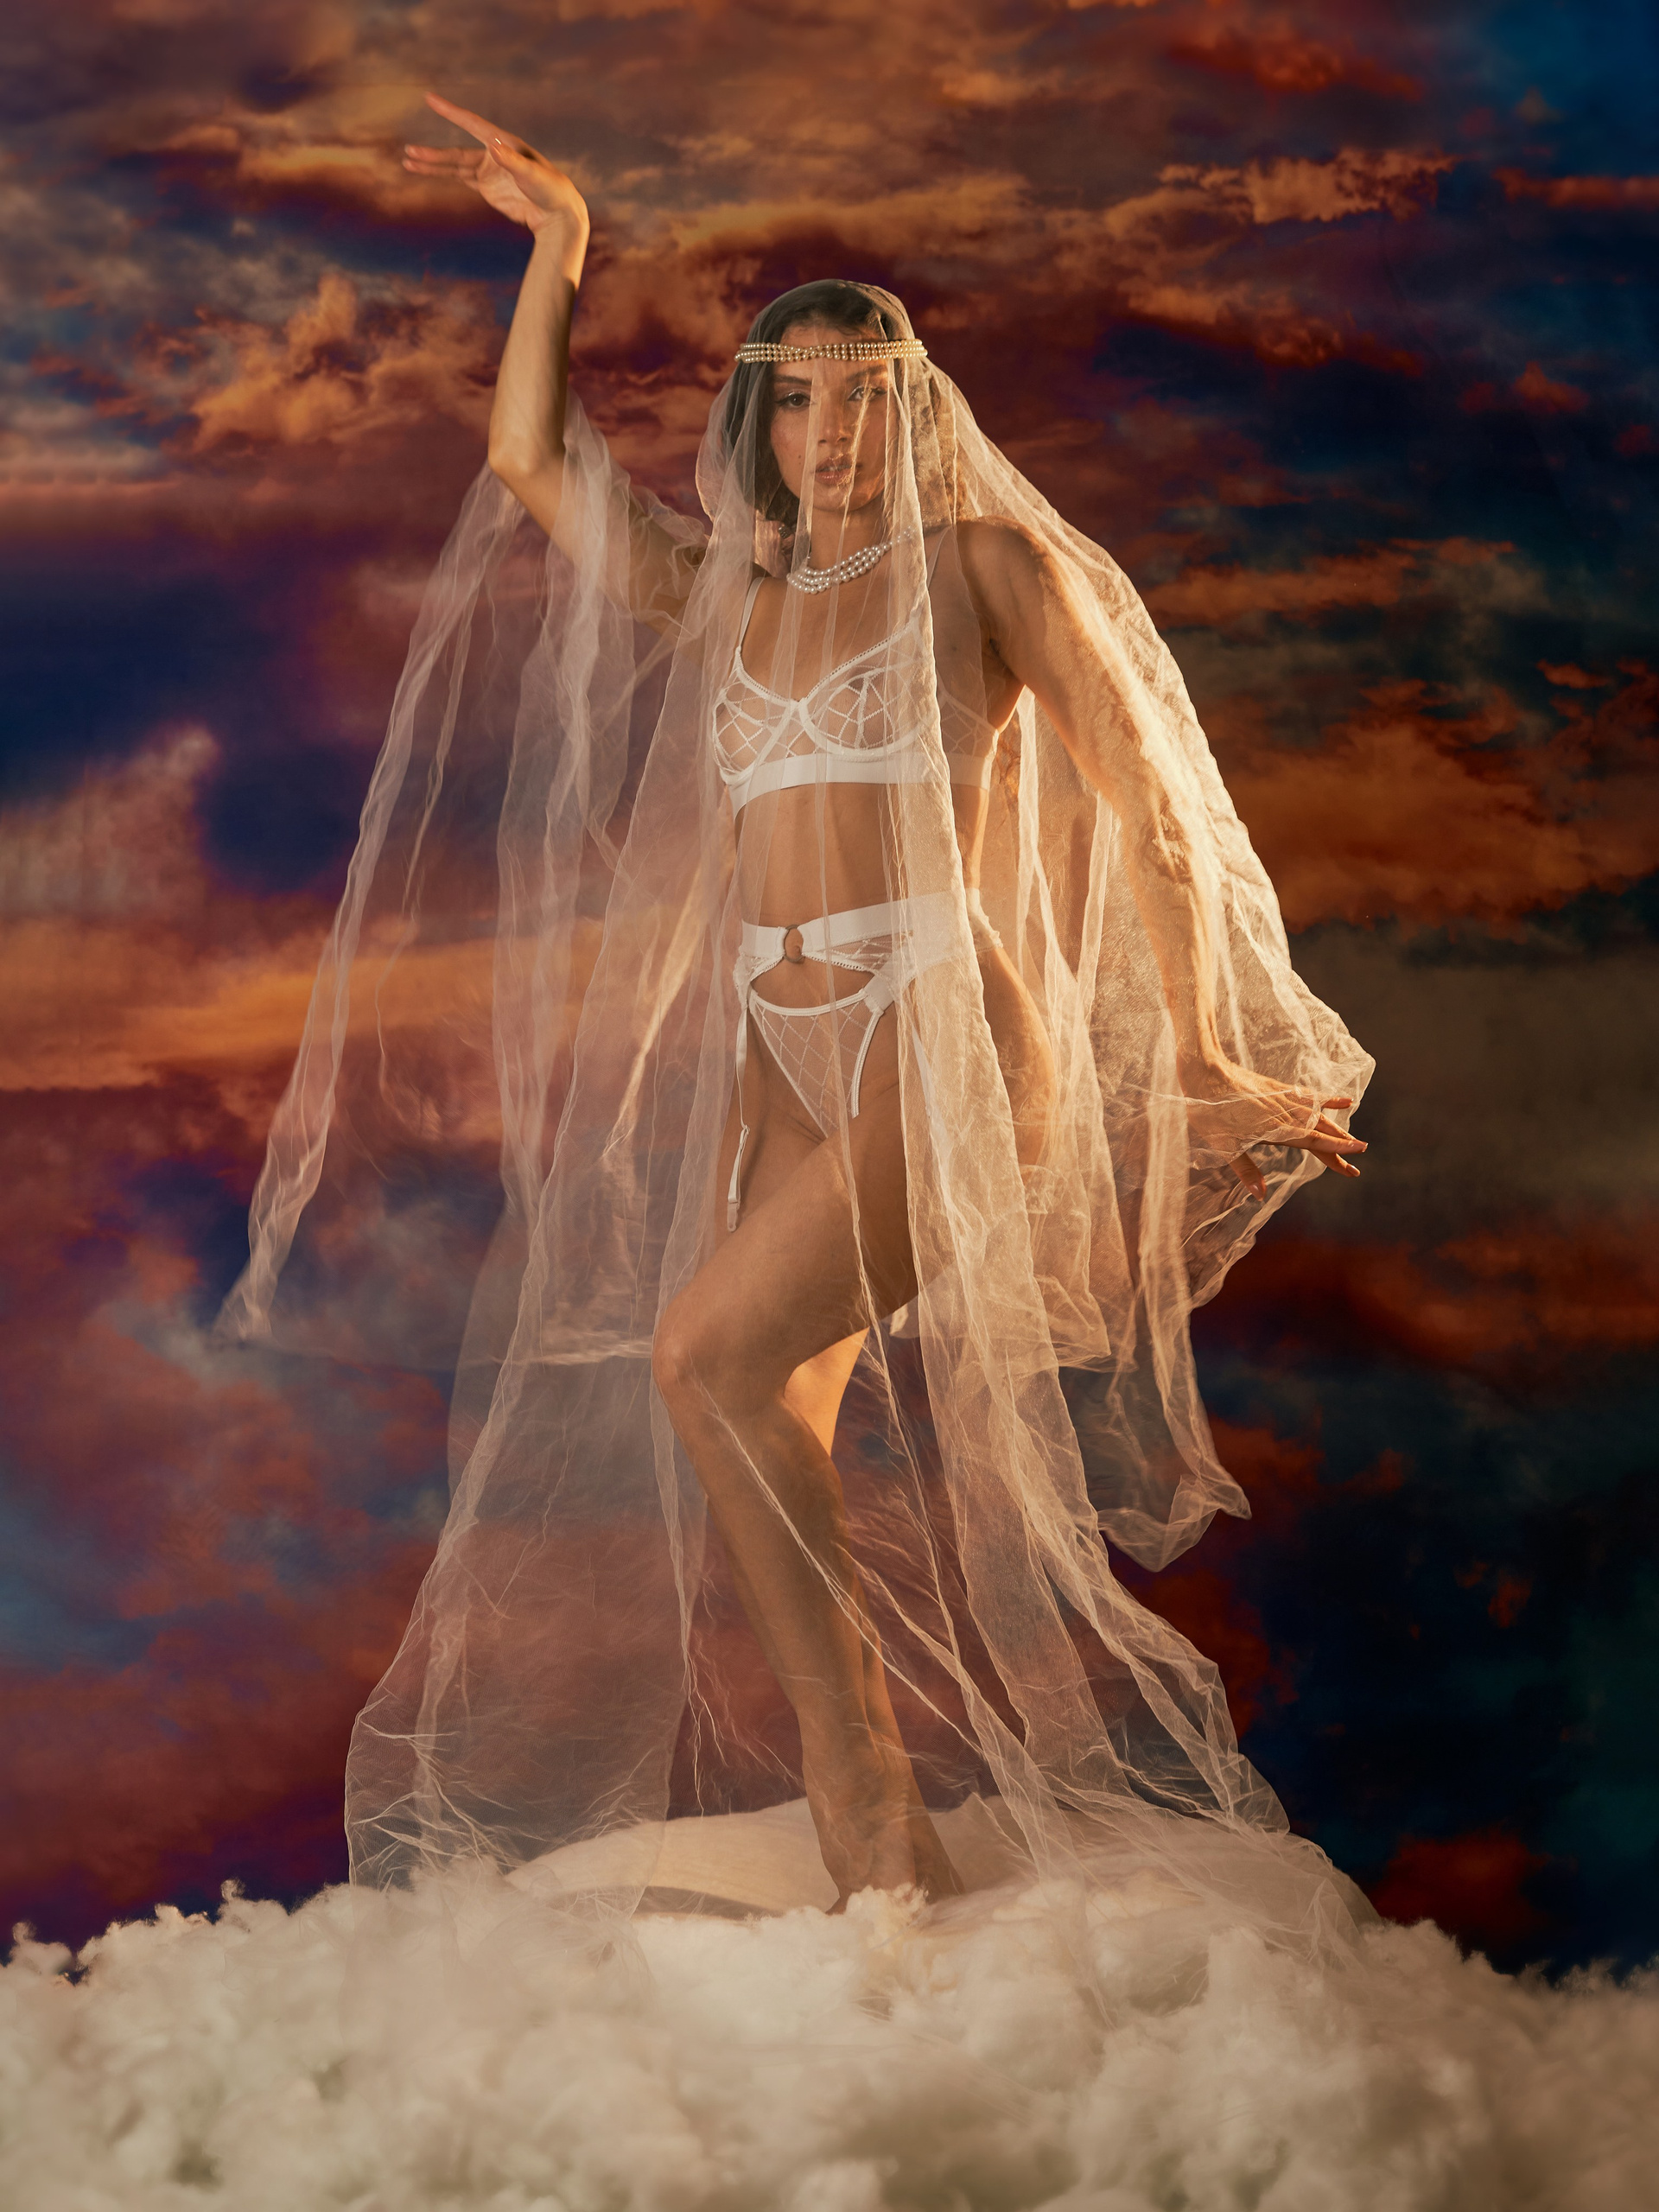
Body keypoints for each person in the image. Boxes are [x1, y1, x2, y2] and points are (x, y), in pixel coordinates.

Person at [222, 94, 1372, 1929]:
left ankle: (867, 1797)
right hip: (783, 1047)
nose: (834, 429)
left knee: (701, 1358)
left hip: (939, 1025)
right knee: (759, 1418)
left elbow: (1153, 812)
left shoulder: (986, 572)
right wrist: (560, 246)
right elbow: (529, 457)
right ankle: (877, 1822)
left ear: (917, 415)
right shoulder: (723, 595)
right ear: (759, 422)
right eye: (800, 398)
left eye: (867, 395)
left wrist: (1216, 1051)